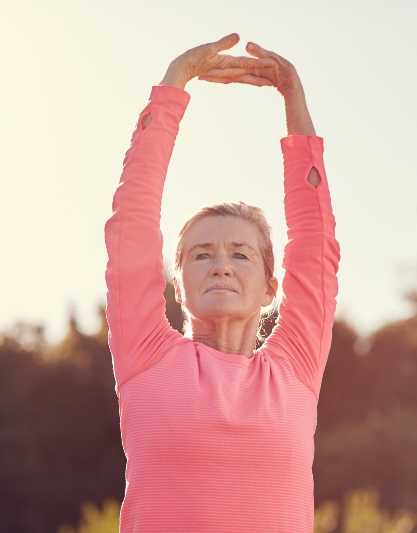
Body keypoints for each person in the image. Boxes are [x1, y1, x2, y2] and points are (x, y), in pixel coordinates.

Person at [104, 33, 339, 532]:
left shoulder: (294, 368)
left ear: (272, 286)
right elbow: (133, 218)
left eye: (240, 253)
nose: (222, 265)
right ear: (177, 283)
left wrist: (293, 100)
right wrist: (173, 84)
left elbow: (316, 243)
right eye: (202, 253)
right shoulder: (146, 355)